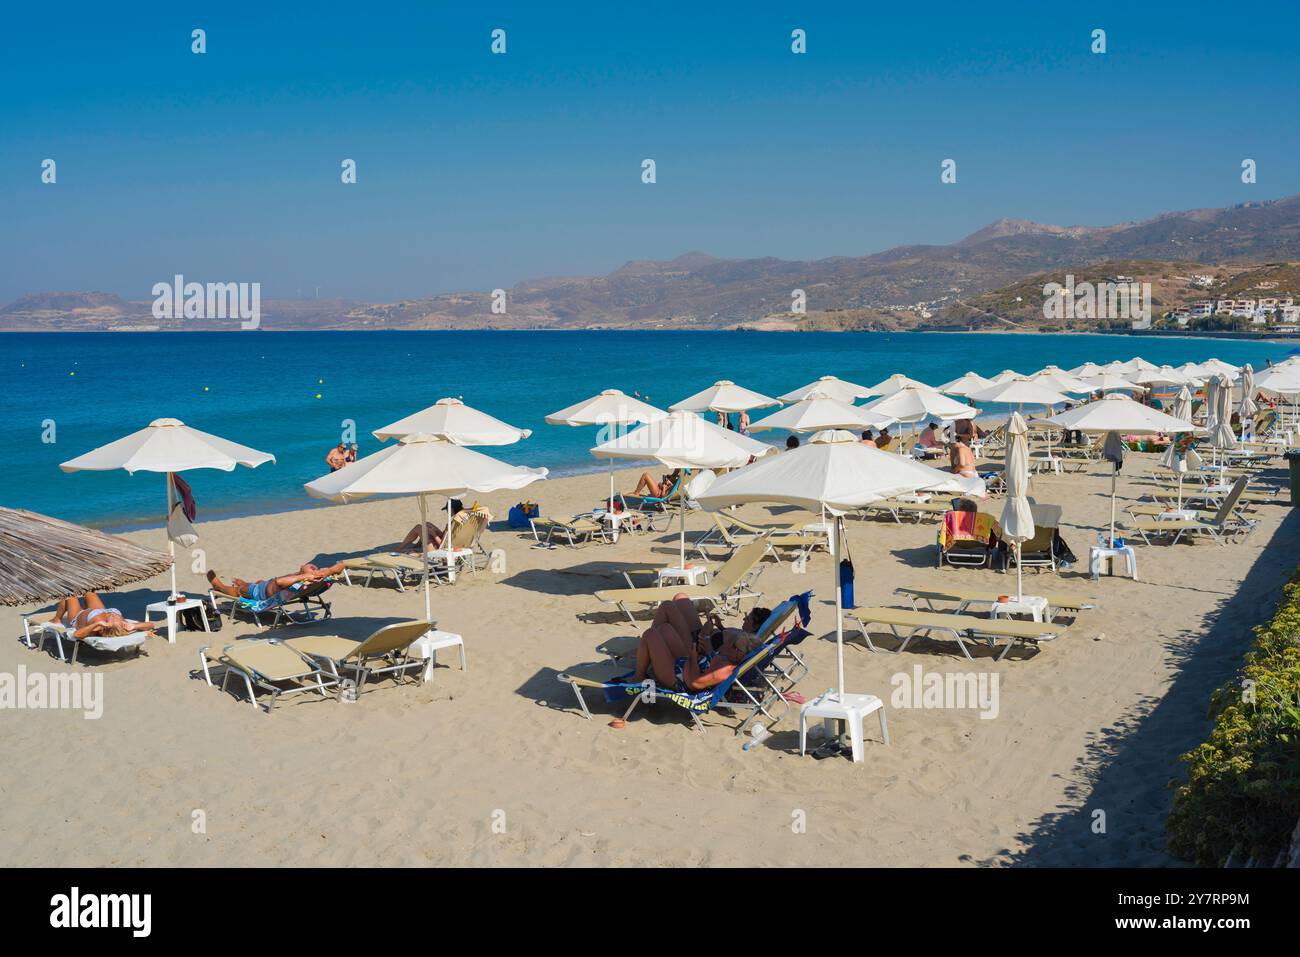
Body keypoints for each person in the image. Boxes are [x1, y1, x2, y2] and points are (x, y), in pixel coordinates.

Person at [627, 597, 772, 692]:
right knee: (664, 628)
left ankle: (639, 675)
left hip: (679, 679)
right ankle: (649, 656)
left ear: (740, 653)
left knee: (650, 634)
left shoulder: (725, 670)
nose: (728, 646)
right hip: (687, 664)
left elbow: (694, 683)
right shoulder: (730, 657)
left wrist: (693, 658)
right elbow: (709, 659)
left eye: (733, 645)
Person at [206, 562, 344, 603]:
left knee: (241, 590)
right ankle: (245, 583)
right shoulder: (308, 580)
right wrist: (329, 571)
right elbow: (342, 565)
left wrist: (303, 575)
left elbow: (279, 582)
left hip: (259, 593)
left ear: (311, 574)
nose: (313, 567)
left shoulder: (303, 579)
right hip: (266, 586)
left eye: (313, 568)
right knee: (259, 582)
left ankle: (219, 586)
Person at [55, 592, 160, 640]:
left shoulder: (99, 627)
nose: (113, 615)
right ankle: (82, 606)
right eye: (117, 618)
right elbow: (151, 625)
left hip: (77, 617)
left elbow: (76, 635)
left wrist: (97, 623)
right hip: (98, 611)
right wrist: (135, 626)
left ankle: (56, 619)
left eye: (113, 618)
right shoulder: (123, 625)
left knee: (70, 596)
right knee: (89, 592)